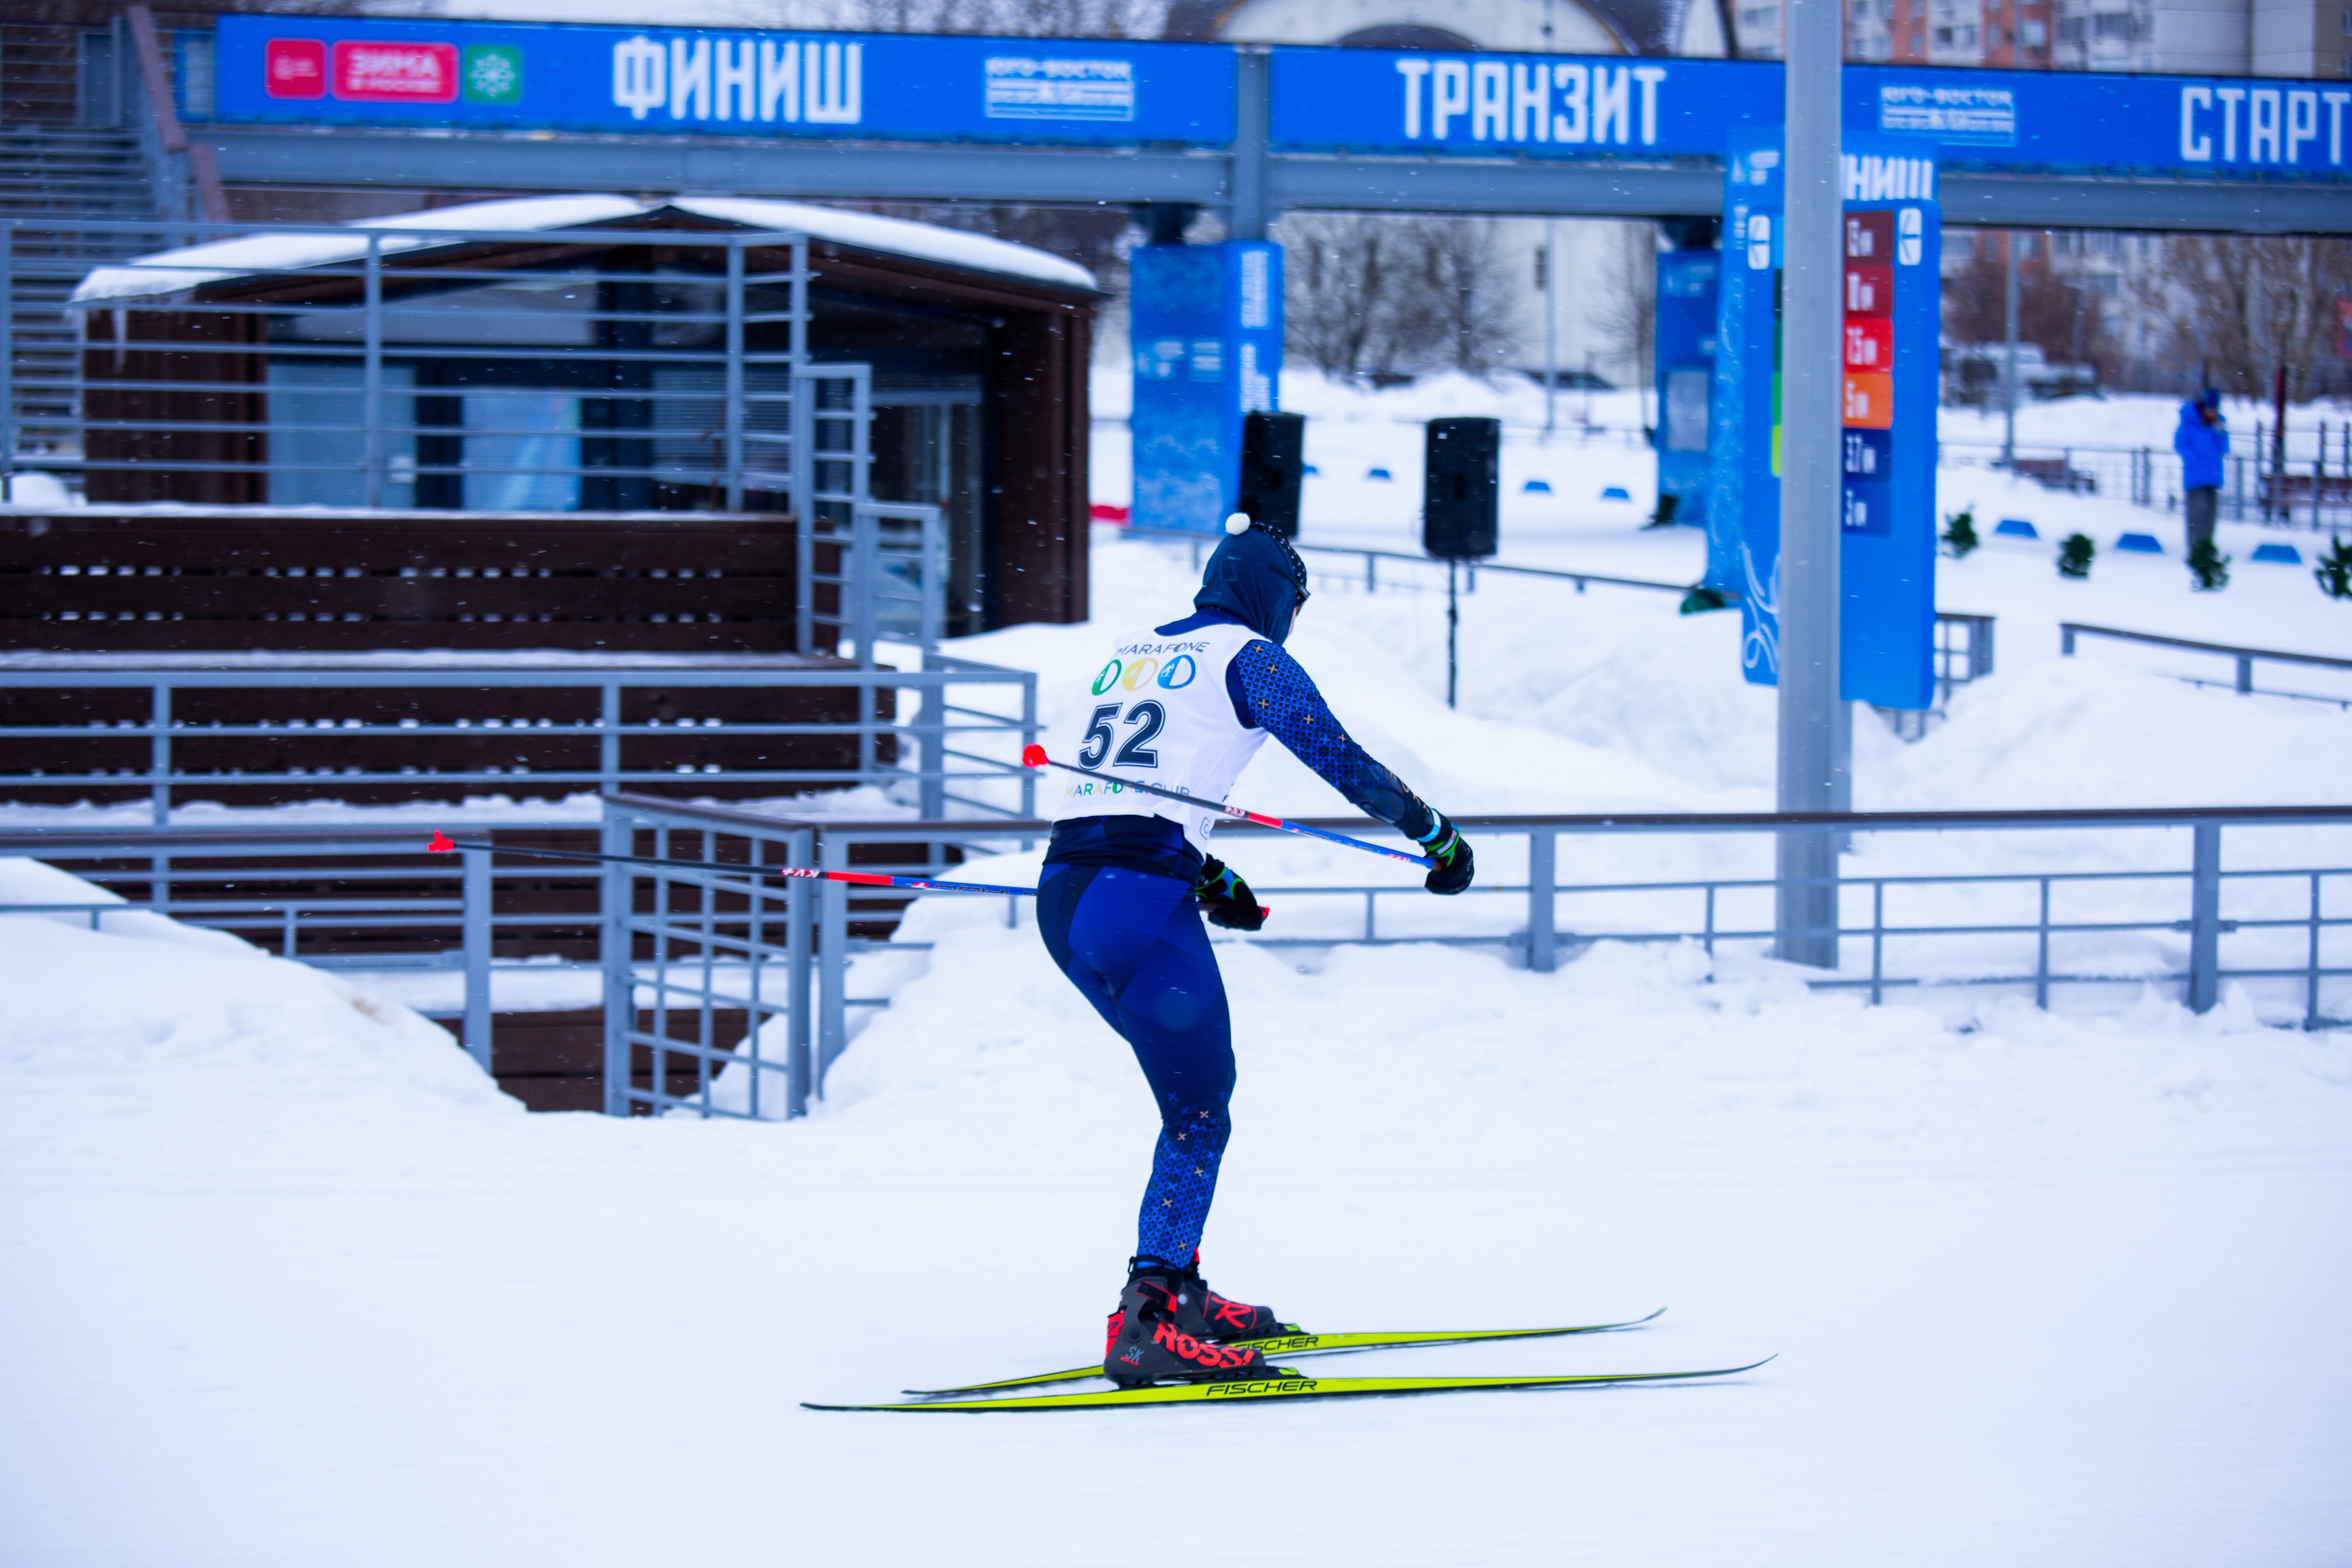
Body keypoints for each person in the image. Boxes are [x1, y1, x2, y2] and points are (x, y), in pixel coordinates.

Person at [1035, 513, 1475, 1387]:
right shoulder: (1250, 656)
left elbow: (1127, 797)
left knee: (1189, 1101)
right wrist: (1434, 833)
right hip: (1136, 900)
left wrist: (1204, 869)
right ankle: (1150, 1316)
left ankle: (1179, 1289)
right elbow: (1338, 759)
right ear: (1275, 595)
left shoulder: (1129, 649)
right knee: (1199, 1109)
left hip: (1069, 894)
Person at [2175, 388, 2228, 569]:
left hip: (2212, 477)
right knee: (2196, 515)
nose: (2212, 412)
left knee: (2210, 515)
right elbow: (2180, 444)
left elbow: (2224, 448)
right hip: (2195, 477)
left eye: (2214, 409)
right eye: (2209, 408)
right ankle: (2194, 551)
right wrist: (2195, 461)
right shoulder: (2189, 422)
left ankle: (2206, 549)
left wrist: (2221, 432)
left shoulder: (2218, 423)